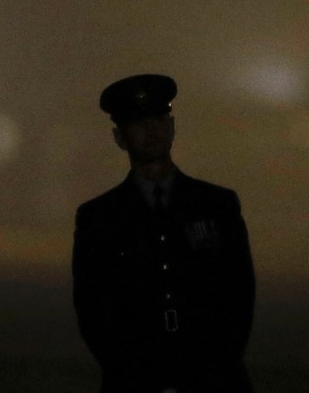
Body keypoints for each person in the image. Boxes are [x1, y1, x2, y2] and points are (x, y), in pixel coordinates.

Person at [72, 74, 256, 393]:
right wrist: (132, 372)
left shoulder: (217, 205)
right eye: (140, 123)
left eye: (159, 120)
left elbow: (239, 295)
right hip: (134, 379)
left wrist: (214, 367)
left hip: (213, 378)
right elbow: (93, 310)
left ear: (172, 127)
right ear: (120, 137)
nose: (152, 131)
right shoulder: (99, 217)